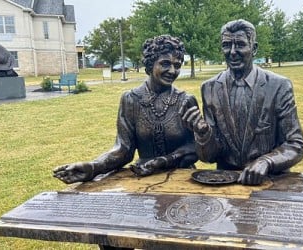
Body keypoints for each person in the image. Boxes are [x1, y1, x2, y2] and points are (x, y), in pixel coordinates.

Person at [54, 35, 198, 184]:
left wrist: (165, 160)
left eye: (178, 65)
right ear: (150, 64)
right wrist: (94, 167)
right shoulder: (131, 100)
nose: (172, 71)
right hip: (145, 179)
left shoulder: (185, 100)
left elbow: (195, 147)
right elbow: (124, 150)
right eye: (165, 64)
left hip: (183, 179)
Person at [180, 19, 303, 185]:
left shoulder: (278, 86)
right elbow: (209, 158)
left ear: (254, 48)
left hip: (269, 182)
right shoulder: (209, 88)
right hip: (225, 184)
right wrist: (203, 134)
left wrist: (266, 162)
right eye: (226, 45)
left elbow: (296, 144)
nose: (232, 52)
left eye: (240, 44)